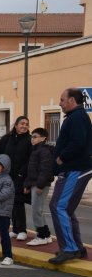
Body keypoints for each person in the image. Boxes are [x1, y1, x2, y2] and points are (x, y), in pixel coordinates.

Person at [48, 88, 92, 264]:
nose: (60, 103)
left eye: (62, 99)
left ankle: (70, 248)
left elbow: (78, 143)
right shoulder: (77, 117)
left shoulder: (78, 117)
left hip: (75, 169)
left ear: (72, 100)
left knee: (59, 206)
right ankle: (77, 247)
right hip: (74, 169)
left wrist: (61, 158)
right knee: (65, 208)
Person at [0, 116, 31, 240]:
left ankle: (22, 230)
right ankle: (15, 228)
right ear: (16, 125)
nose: (24, 126)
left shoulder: (29, 141)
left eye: (27, 124)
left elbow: (31, 160)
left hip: (21, 176)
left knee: (18, 202)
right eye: (22, 123)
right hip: (7, 176)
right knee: (10, 202)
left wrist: (22, 173)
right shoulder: (6, 139)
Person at [23, 128, 54, 246]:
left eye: (35, 136)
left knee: (36, 210)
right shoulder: (35, 150)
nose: (32, 139)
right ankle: (46, 235)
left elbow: (45, 170)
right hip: (35, 184)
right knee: (38, 210)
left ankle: (41, 236)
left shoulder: (44, 151)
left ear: (43, 138)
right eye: (32, 136)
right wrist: (27, 184)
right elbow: (31, 170)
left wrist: (40, 185)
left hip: (40, 184)